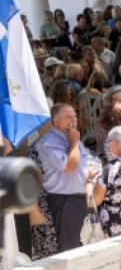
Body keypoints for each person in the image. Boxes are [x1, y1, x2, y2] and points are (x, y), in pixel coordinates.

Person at [37, 104, 94, 253]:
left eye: (75, 116)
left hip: (82, 198)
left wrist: (94, 171)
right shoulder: (49, 142)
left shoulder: (71, 136)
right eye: (69, 117)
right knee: (70, 248)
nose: (74, 120)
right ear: (56, 121)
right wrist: (74, 142)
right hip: (65, 201)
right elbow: (69, 167)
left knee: (85, 243)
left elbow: (90, 160)